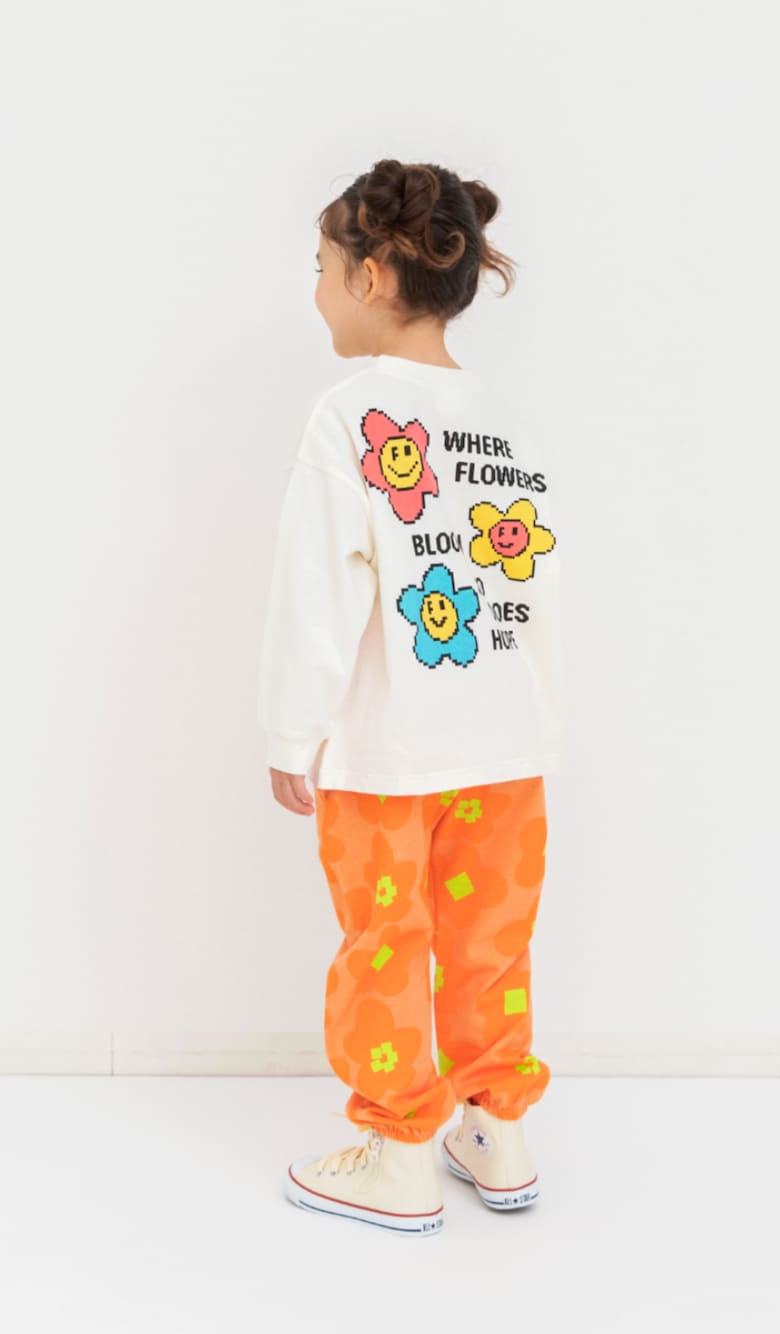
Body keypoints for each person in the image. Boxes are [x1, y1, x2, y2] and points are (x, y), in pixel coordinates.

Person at [256, 158, 566, 1236]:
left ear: (372, 275)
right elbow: (533, 579)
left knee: (385, 940)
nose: (316, 289)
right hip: (507, 745)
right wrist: (537, 719)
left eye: (321, 267)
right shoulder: (504, 418)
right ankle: (497, 1127)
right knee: (490, 940)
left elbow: (317, 587)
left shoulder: (351, 415)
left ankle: (397, 1155)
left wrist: (290, 730)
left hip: (388, 753)